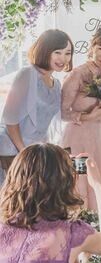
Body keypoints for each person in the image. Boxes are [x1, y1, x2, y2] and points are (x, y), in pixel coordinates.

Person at [0, 29, 74, 186]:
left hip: (36, 154)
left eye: (67, 53)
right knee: (13, 195)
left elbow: (50, 123)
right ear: (45, 50)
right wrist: (24, 152)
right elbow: (10, 119)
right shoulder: (27, 74)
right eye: (57, 52)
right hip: (13, 150)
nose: (63, 58)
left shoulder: (56, 84)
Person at [61, 26, 101, 211]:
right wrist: (89, 116)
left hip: (98, 139)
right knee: (77, 181)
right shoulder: (78, 73)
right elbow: (61, 112)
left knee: (98, 182)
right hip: (77, 139)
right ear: (92, 47)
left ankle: (94, 224)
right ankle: (77, 223)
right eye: (100, 48)